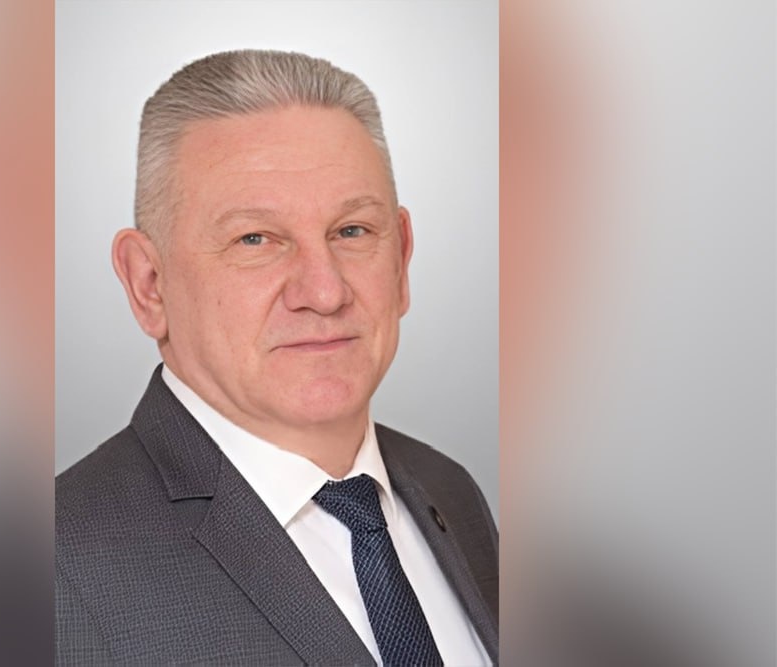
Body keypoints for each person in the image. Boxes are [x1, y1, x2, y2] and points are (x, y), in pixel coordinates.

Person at [56, 49, 498, 666]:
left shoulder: (451, 494)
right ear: (149, 284)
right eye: (255, 239)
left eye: (352, 231)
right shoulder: (56, 576)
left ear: (401, 262)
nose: (325, 291)